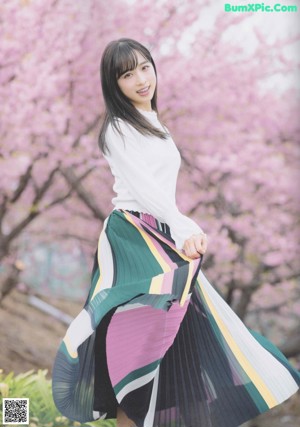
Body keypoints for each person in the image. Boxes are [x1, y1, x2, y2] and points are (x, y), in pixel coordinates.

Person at [52, 38, 300, 427]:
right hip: (133, 240)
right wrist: (186, 226)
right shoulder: (117, 129)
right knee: (134, 346)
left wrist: (178, 228)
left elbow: (161, 192)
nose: (140, 79)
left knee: (171, 346)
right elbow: (147, 190)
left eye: (144, 67)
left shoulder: (154, 124)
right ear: (113, 83)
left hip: (161, 236)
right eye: (127, 74)